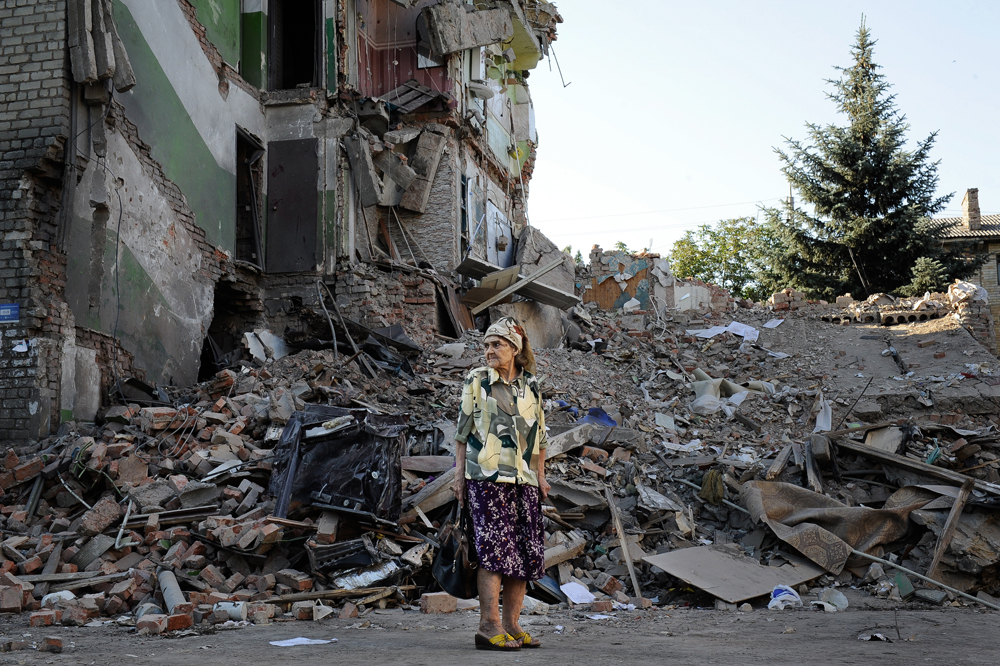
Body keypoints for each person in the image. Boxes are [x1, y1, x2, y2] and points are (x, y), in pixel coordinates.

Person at [454, 316, 550, 651]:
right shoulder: (477, 380)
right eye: (486, 345)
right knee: (494, 552)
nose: (489, 350)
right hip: (486, 478)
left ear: (515, 348)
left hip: (523, 480)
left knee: (523, 554)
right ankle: (488, 625)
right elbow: (462, 433)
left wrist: (540, 476)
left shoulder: (531, 386)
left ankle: (511, 623)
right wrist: (458, 477)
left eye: (497, 344)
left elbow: (539, 437)